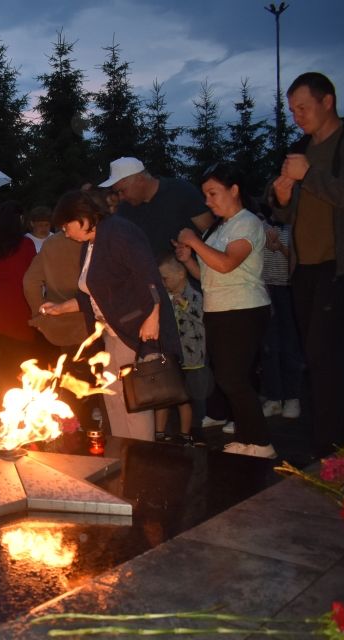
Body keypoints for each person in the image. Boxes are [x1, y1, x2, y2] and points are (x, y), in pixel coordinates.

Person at [269, 71, 344, 456]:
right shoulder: (300, 148)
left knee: (323, 355)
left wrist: (310, 175)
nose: (297, 115)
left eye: (303, 107)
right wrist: (281, 198)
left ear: (328, 101)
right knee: (317, 358)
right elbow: (285, 215)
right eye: (292, 110)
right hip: (306, 267)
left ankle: (330, 447)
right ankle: (335, 444)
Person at [41, 190, 180, 442]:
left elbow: (149, 277)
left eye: (66, 225)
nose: (65, 232)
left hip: (134, 331)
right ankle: (123, 453)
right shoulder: (91, 243)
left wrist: (153, 315)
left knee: (134, 402)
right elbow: (96, 292)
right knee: (113, 398)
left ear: (82, 218)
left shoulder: (118, 233)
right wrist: (62, 308)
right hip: (112, 333)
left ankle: (139, 457)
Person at [173, 163, 273, 458]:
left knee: (233, 378)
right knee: (229, 377)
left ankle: (262, 442)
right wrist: (188, 258)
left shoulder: (248, 223)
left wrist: (193, 240)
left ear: (234, 189)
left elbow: (228, 263)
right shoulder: (221, 227)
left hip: (243, 308)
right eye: (205, 194)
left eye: (213, 193)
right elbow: (209, 274)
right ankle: (247, 437)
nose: (208, 201)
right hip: (219, 308)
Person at [22, 209, 96, 428]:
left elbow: (29, 282)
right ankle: (89, 430)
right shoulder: (91, 241)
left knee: (65, 381)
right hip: (89, 321)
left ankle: (69, 428)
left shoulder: (51, 244)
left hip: (58, 326)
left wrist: (40, 314)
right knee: (92, 382)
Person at [100, 157, 213, 258]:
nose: (121, 197)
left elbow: (212, 234)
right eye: (117, 192)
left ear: (140, 179)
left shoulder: (181, 191)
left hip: (191, 275)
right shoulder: (124, 210)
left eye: (122, 191)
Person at [156, 255, 210, 445]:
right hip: (171, 356)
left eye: (165, 278)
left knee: (190, 396)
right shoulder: (164, 297)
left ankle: (192, 431)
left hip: (193, 357)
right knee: (165, 395)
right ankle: (160, 433)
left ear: (180, 274)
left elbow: (203, 316)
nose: (163, 282)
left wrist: (184, 304)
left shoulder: (195, 294)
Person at [0, 201, 37, 385]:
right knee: (25, 362)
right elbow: (33, 276)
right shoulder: (26, 244)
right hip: (19, 307)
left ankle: (7, 400)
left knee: (6, 361)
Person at [260, 214, 303, 419]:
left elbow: (299, 260)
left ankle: (293, 397)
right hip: (266, 289)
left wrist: (279, 247)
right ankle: (274, 398)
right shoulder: (260, 225)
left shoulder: (293, 224)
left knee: (289, 345)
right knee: (269, 347)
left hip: (288, 289)